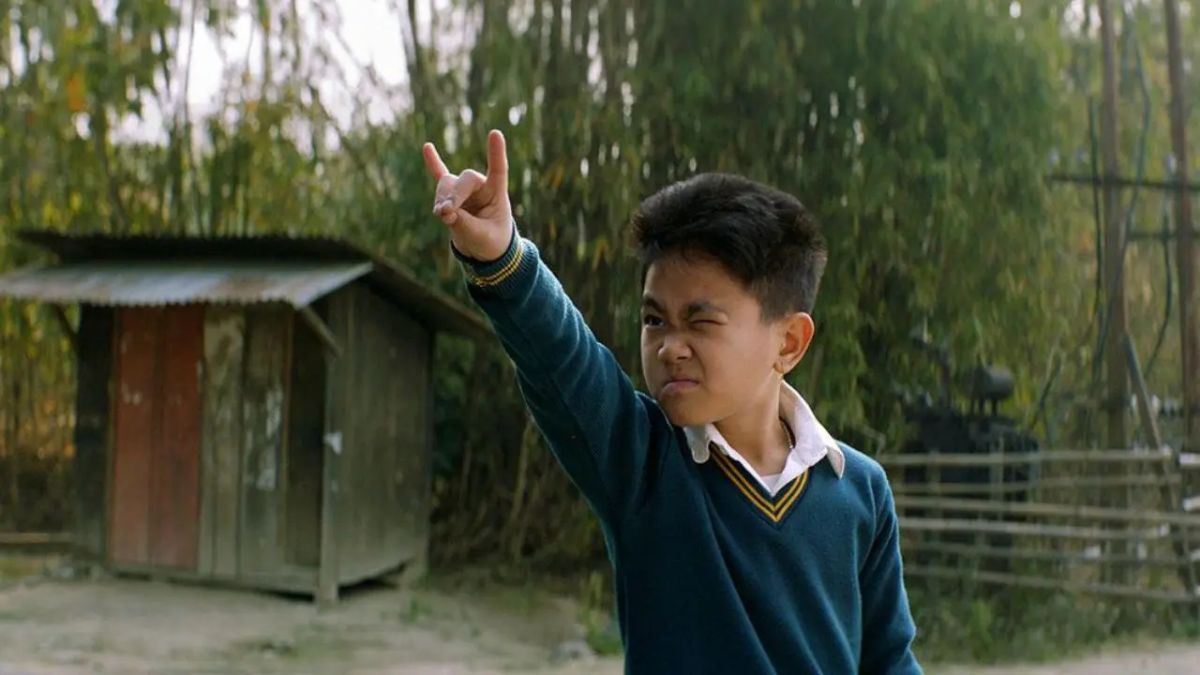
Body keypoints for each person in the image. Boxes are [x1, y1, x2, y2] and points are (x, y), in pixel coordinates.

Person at [422, 129, 922, 674]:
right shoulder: (642, 464)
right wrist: (501, 256)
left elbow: (889, 659)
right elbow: (563, 356)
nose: (669, 347)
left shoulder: (860, 490)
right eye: (654, 319)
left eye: (701, 321)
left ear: (789, 342)